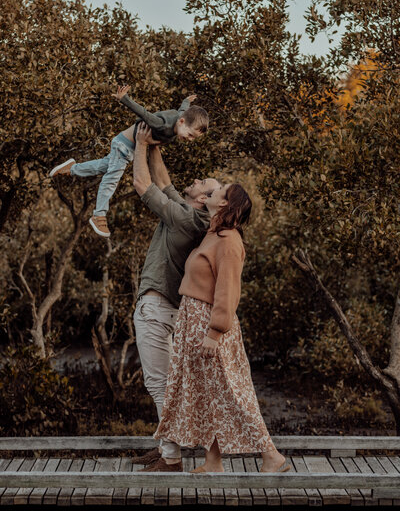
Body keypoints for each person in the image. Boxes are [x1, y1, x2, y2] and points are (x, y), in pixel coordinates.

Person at [153, 182, 290, 473]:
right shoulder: (212, 235)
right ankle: (213, 461)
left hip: (208, 325)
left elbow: (228, 291)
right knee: (207, 391)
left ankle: (272, 456)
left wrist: (214, 333)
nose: (213, 190)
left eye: (220, 190)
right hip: (192, 321)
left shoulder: (229, 241)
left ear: (225, 204)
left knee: (232, 391)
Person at [131, 123, 222, 471]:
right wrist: (155, 145)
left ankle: (171, 458)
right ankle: (165, 446)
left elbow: (144, 185)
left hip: (157, 308)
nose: (198, 180)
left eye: (204, 184)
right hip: (162, 308)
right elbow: (165, 182)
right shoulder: (191, 214)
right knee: (162, 380)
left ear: (203, 200)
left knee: (159, 383)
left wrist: (140, 144)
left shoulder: (188, 220)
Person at [49, 86, 209, 238]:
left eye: (193, 138)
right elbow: (144, 114)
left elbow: (183, 109)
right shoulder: (162, 124)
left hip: (127, 147)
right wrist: (124, 98)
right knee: (111, 179)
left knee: (102, 166)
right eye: (189, 135)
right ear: (181, 122)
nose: (189, 139)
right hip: (124, 146)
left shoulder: (181, 119)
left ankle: (72, 168)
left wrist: (187, 100)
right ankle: (99, 215)